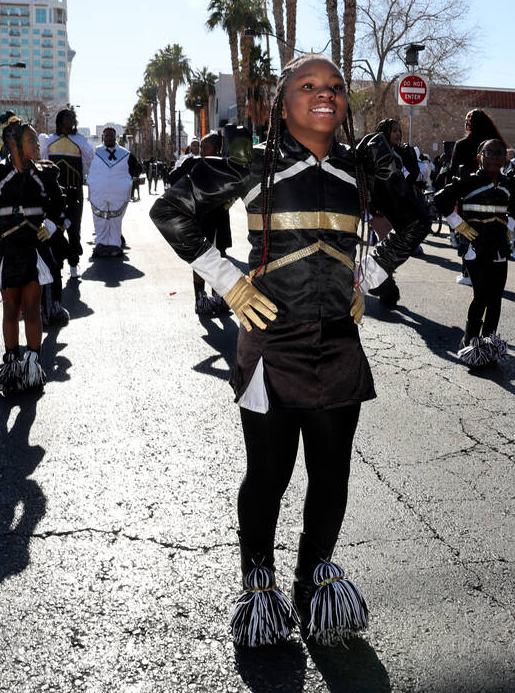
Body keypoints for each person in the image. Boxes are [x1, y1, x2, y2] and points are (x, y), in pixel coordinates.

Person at [150, 54, 372, 647]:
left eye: (333, 87)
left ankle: (313, 581)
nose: (324, 95)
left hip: (339, 345)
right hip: (273, 348)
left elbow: (413, 216)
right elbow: (170, 210)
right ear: (282, 101)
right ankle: (259, 586)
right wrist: (230, 280)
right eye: (308, 86)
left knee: (332, 476)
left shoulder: (360, 167)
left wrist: (363, 278)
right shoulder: (255, 164)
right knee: (269, 475)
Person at [0, 115, 64, 393]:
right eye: (32, 141)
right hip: (7, 252)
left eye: (37, 141)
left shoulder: (43, 173)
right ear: (14, 144)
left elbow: (61, 202)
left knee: (33, 310)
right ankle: (12, 364)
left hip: (34, 252)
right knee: (11, 310)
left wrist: (50, 226)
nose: (38, 145)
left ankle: (33, 366)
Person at [434, 137, 515, 366]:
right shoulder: (468, 181)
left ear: (504, 158)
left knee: (496, 297)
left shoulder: (509, 183)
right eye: (489, 152)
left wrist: (510, 226)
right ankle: (470, 342)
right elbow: (440, 199)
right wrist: (458, 224)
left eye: (499, 152)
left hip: (499, 247)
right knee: (481, 295)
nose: (494, 157)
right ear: (479, 157)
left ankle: (488, 345)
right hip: (474, 246)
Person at [355, 118, 432, 307]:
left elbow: (412, 179)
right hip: (381, 209)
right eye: (394, 130)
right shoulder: (376, 148)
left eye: (399, 130)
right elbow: (372, 180)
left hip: (403, 207)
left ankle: (383, 287)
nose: (398, 134)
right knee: (388, 246)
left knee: (392, 247)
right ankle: (380, 286)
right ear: (384, 132)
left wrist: (410, 159)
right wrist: (372, 206)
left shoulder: (402, 152)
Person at [166, 131, 234, 317]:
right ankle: (200, 299)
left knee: (220, 256)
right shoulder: (192, 162)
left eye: (206, 148)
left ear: (217, 149)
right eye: (201, 147)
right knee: (201, 258)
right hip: (199, 218)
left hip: (220, 217)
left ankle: (219, 296)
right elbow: (172, 178)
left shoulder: (225, 166)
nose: (201, 151)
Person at [39, 108, 95, 277]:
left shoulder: (80, 140)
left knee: (74, 227)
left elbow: (88, 160)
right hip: (54, 192)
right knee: (54, 228)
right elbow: (42, 163)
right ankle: (57, 263)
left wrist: (79, 179)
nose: (70, 120)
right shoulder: (50, 140)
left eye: (72, 117)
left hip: (74, 190)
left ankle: (73, 263)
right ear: (59, 120)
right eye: (66, 117)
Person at [89, 127, 141, 259]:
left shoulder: (125, 153)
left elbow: (137, 167)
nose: (109, 138)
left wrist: (129, 180)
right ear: (103, 138)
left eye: (111, 136)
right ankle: (101, 245)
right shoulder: (95, 152)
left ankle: (114, 245)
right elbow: (87, 166)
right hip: (99, 192)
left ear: (115, 137)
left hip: (118, 193)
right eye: (106, 136)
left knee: (115, 220)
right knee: (100, 219)